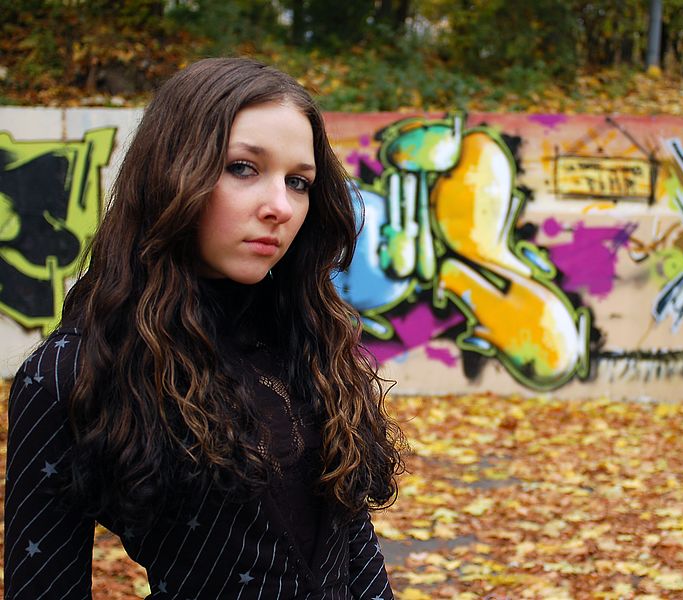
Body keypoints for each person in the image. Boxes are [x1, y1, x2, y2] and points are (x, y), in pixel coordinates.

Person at [4, 57, 405, 599]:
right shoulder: (74, 370)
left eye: (299, 181)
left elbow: (353, 540)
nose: (280, 207)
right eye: (243, 168)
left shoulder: (309, 339)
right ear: (172, 173)